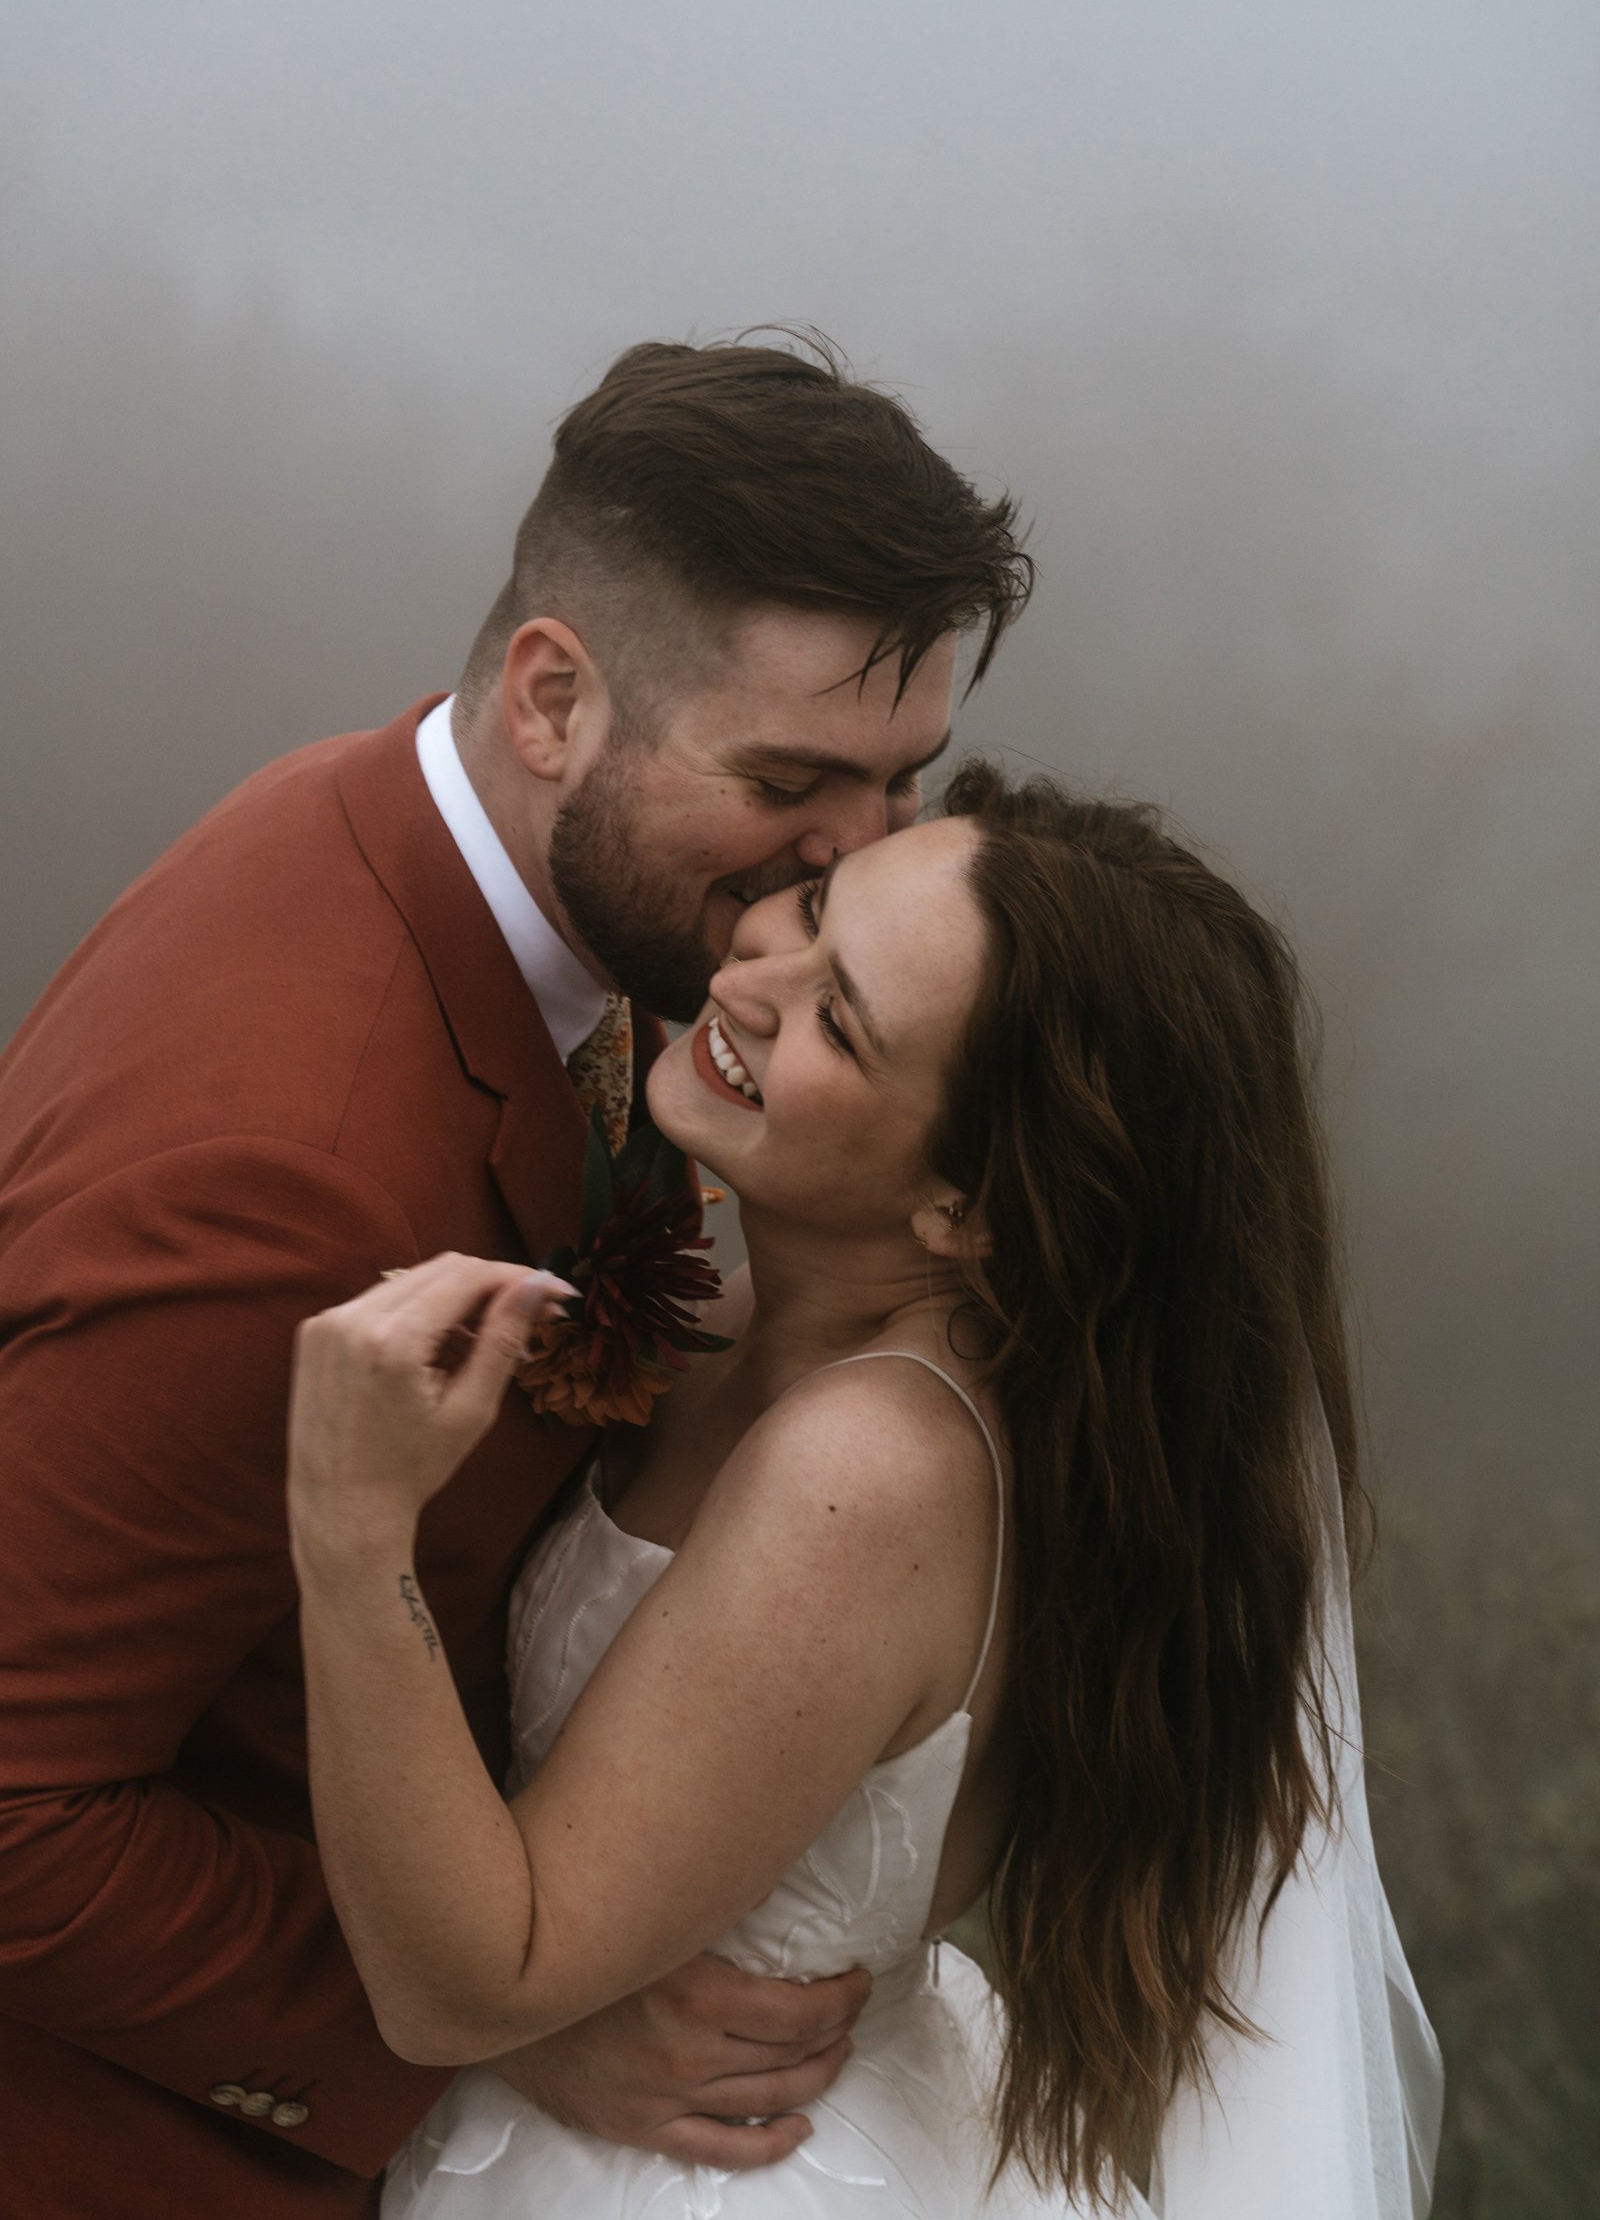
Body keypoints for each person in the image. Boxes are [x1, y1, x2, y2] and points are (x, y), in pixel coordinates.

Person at [0, 335, 1031, 2219]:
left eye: (904, 784)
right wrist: (478, 2018)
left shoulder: (530, 899)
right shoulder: (285, 1179)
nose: (857, 860)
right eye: (796, 777)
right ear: (552, 699)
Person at [286, 764, 1444, 2218]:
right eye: (815, 910)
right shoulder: (729, 1311)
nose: (757, 980)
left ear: (967, 1207)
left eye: (841, 1020)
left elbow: (476, 1980)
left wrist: (348, 1527)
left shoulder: (875, 1469)